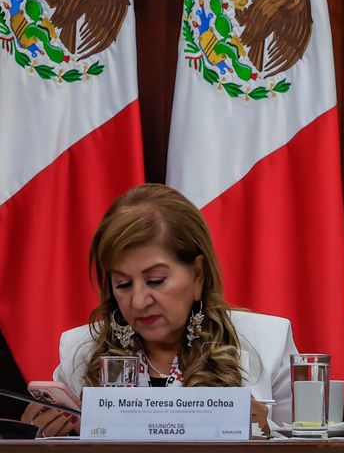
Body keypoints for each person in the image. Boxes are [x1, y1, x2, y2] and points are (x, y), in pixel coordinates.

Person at [33, 184, 297, 436]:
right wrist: (37, 436)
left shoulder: (268, 342)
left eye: (155, 281)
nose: (138, 301)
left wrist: (266, 431)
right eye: (122, 284)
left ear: (197, 275)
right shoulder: (81, 352)